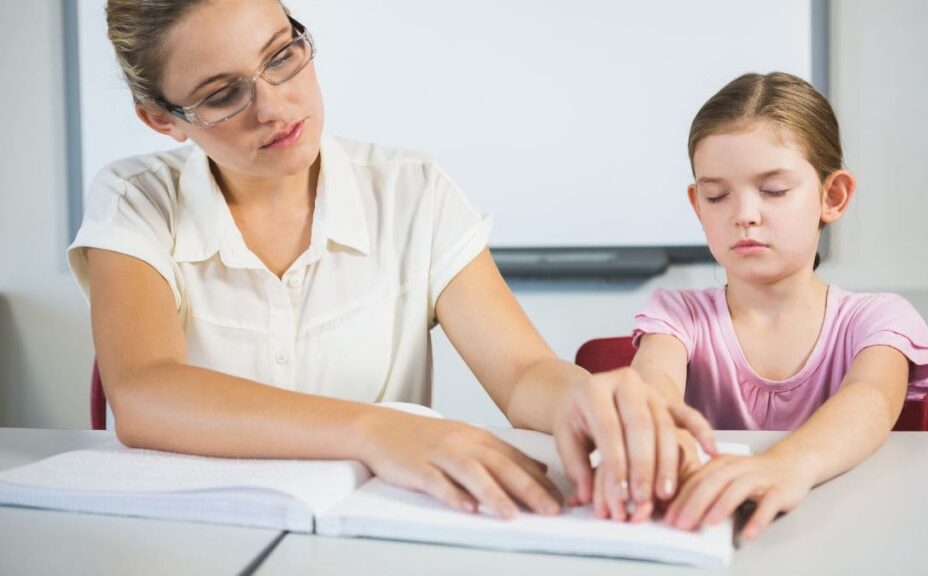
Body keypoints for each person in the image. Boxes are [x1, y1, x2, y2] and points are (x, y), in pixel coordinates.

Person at [70, 0, 718, 523]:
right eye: (222, 94)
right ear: (162, 120)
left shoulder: (413, 191)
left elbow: (522, 374)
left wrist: (593, 401)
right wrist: (378, 431)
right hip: (196, 541)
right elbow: (146, 392)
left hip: (373, 541)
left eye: (282, 57)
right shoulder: (136, 200)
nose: (273, 106)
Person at [626, 72, 928, 540]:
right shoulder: (676, 316)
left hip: (846, 535)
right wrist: (658, 432)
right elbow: (654, 382)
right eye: (717, 195)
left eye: (773, 190)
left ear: (831, 197)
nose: (744, 214)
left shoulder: (879, 319)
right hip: (712, 533)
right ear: (698, 205)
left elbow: (871, 398)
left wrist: (788, 465)